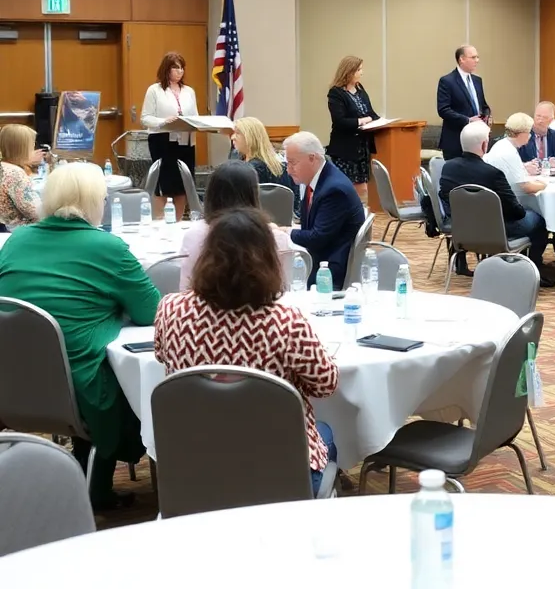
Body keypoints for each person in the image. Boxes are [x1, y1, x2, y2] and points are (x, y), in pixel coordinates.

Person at [0, 163, 159, 509]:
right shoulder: (107, 247)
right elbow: (151, 311)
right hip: (80, 390)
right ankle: (96, 491)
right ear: (94, 202)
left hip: (12, 383)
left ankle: (87, 485)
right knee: (117, 374)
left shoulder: (17, 240)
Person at [155, 208, 339, 496]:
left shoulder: (170, 310)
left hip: (196, 469)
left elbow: (162, 355)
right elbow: (326, 384)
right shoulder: (286, 322)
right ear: (268, 259)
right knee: (326, 436)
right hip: (278, 473)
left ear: (207, 256)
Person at [439, 121, 555, 287]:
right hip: (496, 230)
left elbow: (445, 198)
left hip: (462, 229)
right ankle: (534, 270)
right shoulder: (492, 173)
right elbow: (515, 211)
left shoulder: (448, 168)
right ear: (485, 144)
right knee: (539, 220)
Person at [177, 161, 293, 290]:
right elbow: (285, 289)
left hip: (206, 307)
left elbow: (185, 288)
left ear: (211, 194)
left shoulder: (195, 235)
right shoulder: (277, 237)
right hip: (265, 307)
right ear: (253, 194)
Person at [486, 113, 555, 271]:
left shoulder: (500, 146)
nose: (530, 136)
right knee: (541, 221)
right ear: (522, 133)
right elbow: (526, 187)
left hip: (497, 210)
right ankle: (534, 267)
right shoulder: (508, 152)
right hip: (507, 216)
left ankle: (534, 262)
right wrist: (544, 184)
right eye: (529, 133)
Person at [284, 131, 364, 289]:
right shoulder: (317, 181)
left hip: (329, 269)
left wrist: (286, 232)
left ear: (312, 158)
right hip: (319, 257)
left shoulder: (334, 190)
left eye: (292, 163)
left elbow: (317, 238)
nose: (288, 170)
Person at [141, 51, 199, 219]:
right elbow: (145, 118)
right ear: (166, 69)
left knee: (183, 184)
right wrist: (164, 121)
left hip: (186, 142)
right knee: (164, 184)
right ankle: (160, 220)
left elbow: (194, 117)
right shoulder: (155, 90)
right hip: (163, 141)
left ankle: (179, 220)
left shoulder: (189, 91)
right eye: (175, 68)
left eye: (182, 68)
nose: (179, 71)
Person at [326, 55, 380, 203]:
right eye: (358, 69)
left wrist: (381, 121)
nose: (361, 73)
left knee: (362, 188)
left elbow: (371, 113)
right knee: (347, 186)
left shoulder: (360, 89)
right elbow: (340, 121)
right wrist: (362, 120)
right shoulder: (336, 93)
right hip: (345, 148)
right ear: (348, 71)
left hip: (362, 148)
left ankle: (359, 210)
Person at [231, 115, 300, 216]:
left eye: (237, 133)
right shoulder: (282, 165)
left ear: (250, 137)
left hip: (256, 223)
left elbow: (240, 205)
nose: (232, 137)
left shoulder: (252, 169)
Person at [437, 45, 491, 160]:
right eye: (473, 57)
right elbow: (443, 110)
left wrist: (487, 116)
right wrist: (468, 120)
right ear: (462, 59)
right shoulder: (447, 81)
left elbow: (483, 105)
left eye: (477, 57)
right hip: (456, 141)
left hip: (476, 142)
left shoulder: (477, 81)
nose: (477, 60)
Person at [0, 124, 43, 228]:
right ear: (22, 148)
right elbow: (37, 213)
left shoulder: (4, 167)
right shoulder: (15, 173)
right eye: (32, 145)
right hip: (14, 232)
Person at [519, 101, 555, 166]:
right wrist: (526, 165)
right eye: (538, 116)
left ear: (551, 120)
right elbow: (514, 161)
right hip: (529, 173)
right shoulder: (523, 134)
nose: (540, 120)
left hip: (549, 173)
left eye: (545, 117)